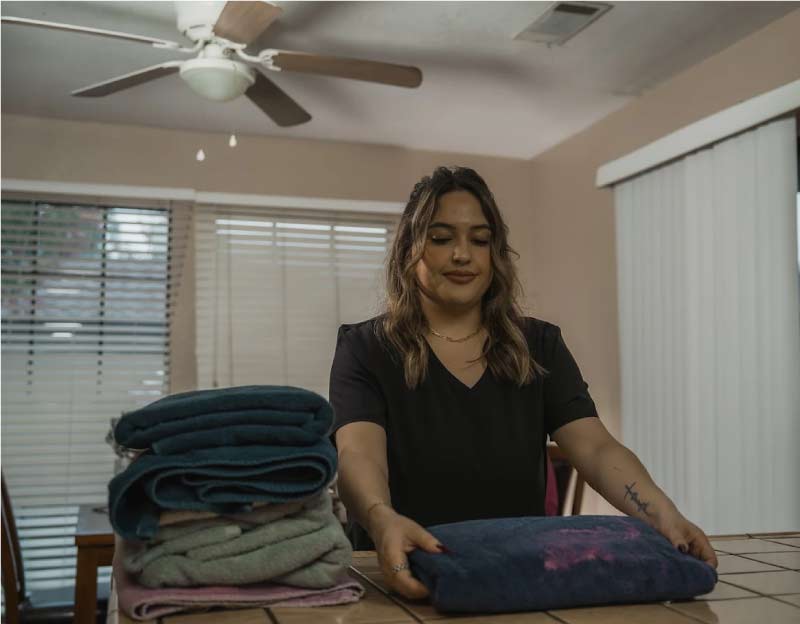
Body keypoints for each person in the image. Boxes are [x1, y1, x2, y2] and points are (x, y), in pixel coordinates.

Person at [329, 166, 718, 600]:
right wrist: (381, 518)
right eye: (441, 238)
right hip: (405, 575)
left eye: (480, 240)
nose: (463, 255)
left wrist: (663, 514)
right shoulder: (365, 348)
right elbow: (357, 454)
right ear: (408, 250)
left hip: (518, 577)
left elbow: (595, 447)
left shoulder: (540, 345)